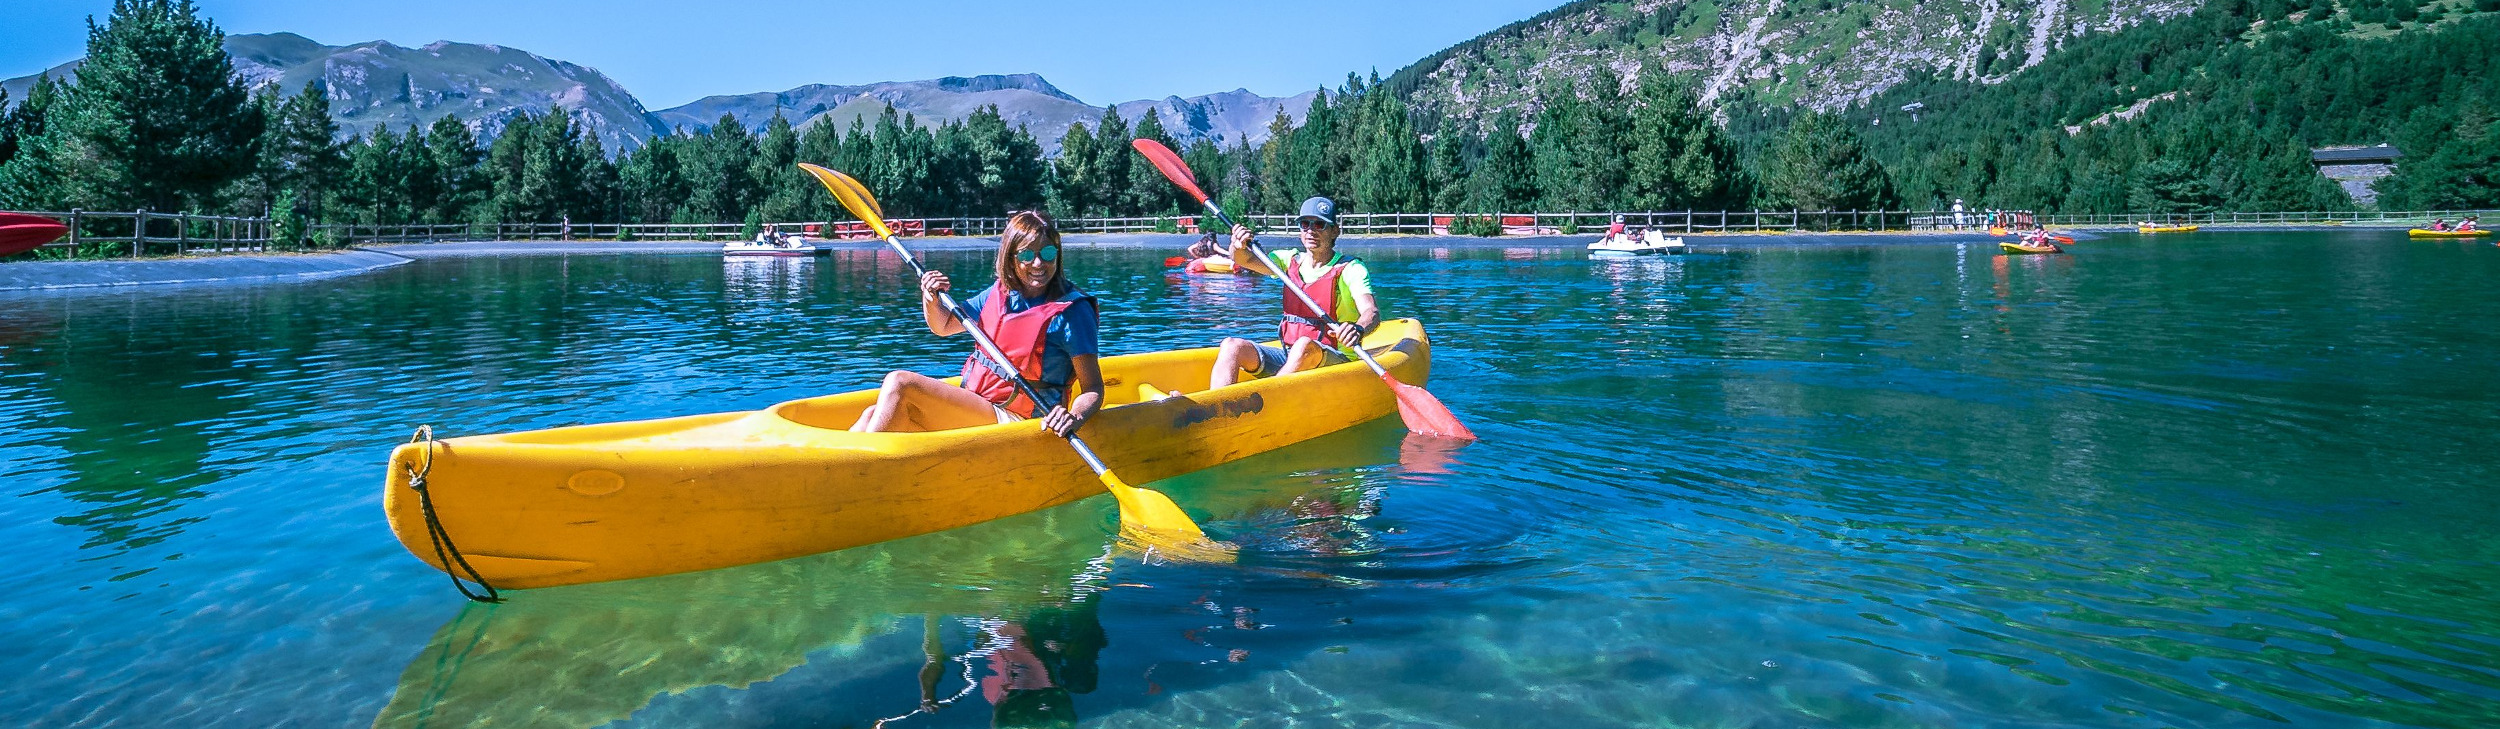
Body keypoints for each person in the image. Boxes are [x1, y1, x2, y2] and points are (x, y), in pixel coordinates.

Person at [852, 211, 1102, 435]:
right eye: (1028, 255)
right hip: (981, 403)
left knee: (900, 383)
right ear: (1011, 258)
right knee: (870, 415)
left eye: (1048, 253)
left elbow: (1092, 387)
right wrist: (930, 297)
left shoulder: (1072, 312)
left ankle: (863, 471)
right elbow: (943, 326)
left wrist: (1074, 416)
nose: (1039, 264)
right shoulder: (1000, 294)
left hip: (1021, 419)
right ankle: (847, 473)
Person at [1206, 196, 1378, 389]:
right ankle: (1218, 406)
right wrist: (1237, 246)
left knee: (1304, 345)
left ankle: (1265, 400)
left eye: (1319, 224)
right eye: (1305, 224)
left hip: (1336, 361)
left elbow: (1371, 312)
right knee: (1231, 346)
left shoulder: (1351, 268)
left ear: (1334, 231)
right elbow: (1245, 260)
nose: (1311, 230)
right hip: (1291, 357)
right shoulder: (1288, 260)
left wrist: (1358, 328)